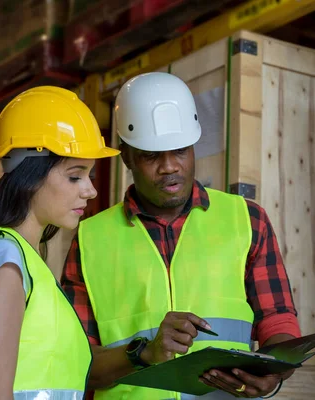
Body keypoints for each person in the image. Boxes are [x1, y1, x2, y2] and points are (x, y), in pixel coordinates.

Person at [61, 72, 301, 399]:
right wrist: (141, 352)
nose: (169, 167)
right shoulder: (90, 240)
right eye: (151, 155)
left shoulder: (248, 220)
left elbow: (279, 322)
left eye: (180, 151)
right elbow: (78, 364)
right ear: (127, 155)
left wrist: (274, 372)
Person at [0, 86, 120, 400]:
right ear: (31, 175)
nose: (90, 191)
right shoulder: (2, 261)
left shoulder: (21, 262)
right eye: (75, 176)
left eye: (89, 175)